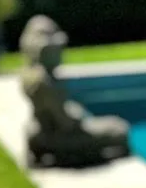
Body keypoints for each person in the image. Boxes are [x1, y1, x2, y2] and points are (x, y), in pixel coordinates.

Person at [18, 15, 130, 168]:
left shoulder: (29, 75)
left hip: (43, 130)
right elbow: (66, 123)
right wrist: (78, 116)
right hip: (56, 137)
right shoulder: (45, 83)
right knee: (119, 128)